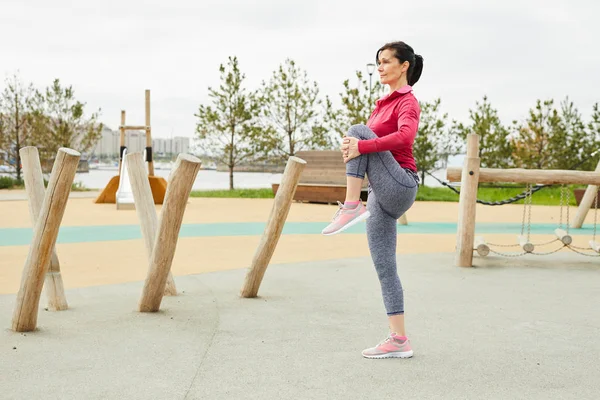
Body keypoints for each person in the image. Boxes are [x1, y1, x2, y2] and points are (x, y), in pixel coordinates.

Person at [322, 41, 423, 359]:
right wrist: (353, 150)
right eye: (377, 62)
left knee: (358, 131)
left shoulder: (408, 102)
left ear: (403, 65)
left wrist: (360, 145)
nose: (379, 67)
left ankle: (352, 205)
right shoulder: (380, 106)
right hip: (381, 191)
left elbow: (405, 138)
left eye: (385, 61)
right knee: (384, 266)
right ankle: (399, 340)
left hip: (402, 184)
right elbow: (368, 148)